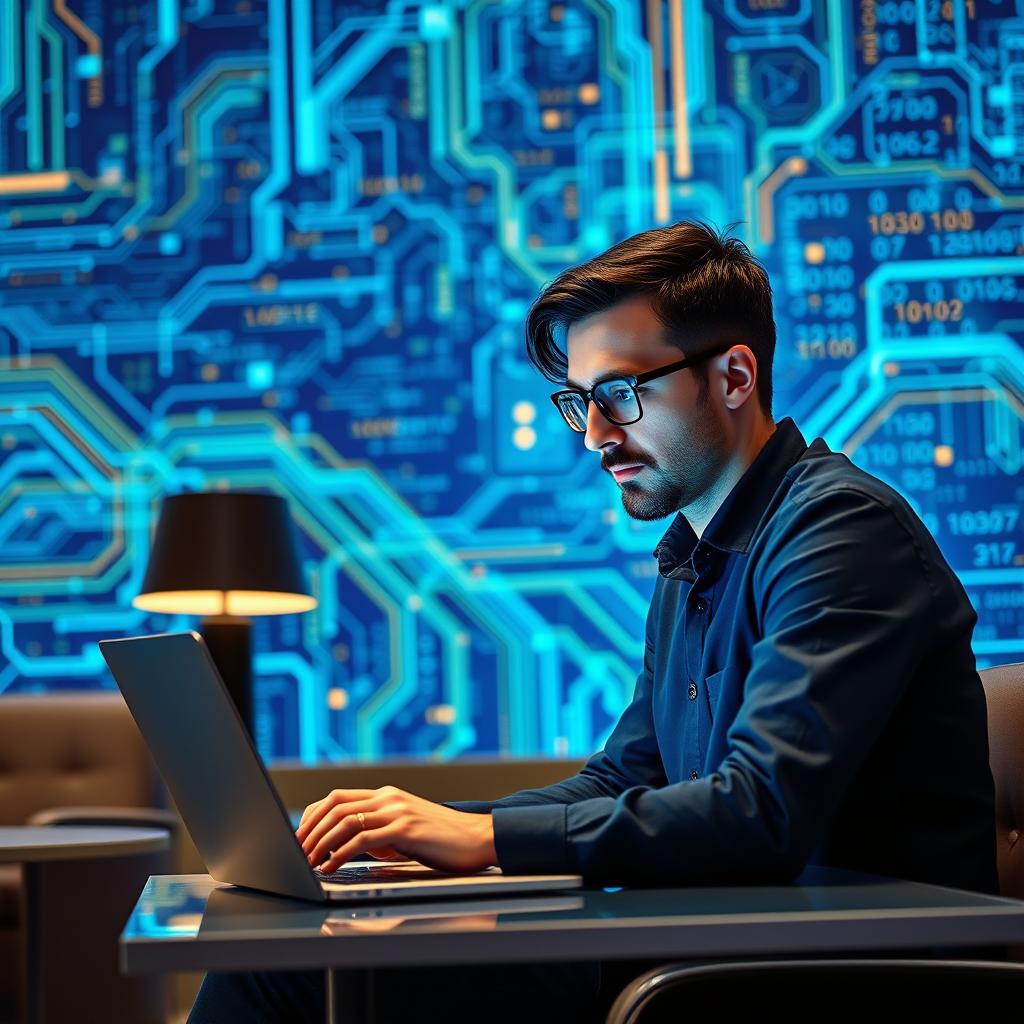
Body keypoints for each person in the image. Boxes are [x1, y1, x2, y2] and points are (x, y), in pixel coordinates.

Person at [188, 220, 999, 1021]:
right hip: (722, 947)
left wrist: (485, 845)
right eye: (580, 404)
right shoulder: (695, 555)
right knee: (292, 954)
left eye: (620, 395)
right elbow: (625, 776)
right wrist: (423, 831)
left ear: (735, 377)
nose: (598, 437)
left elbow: (762, 814)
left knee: (282, 973)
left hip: (843, 976)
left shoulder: (841, 530)